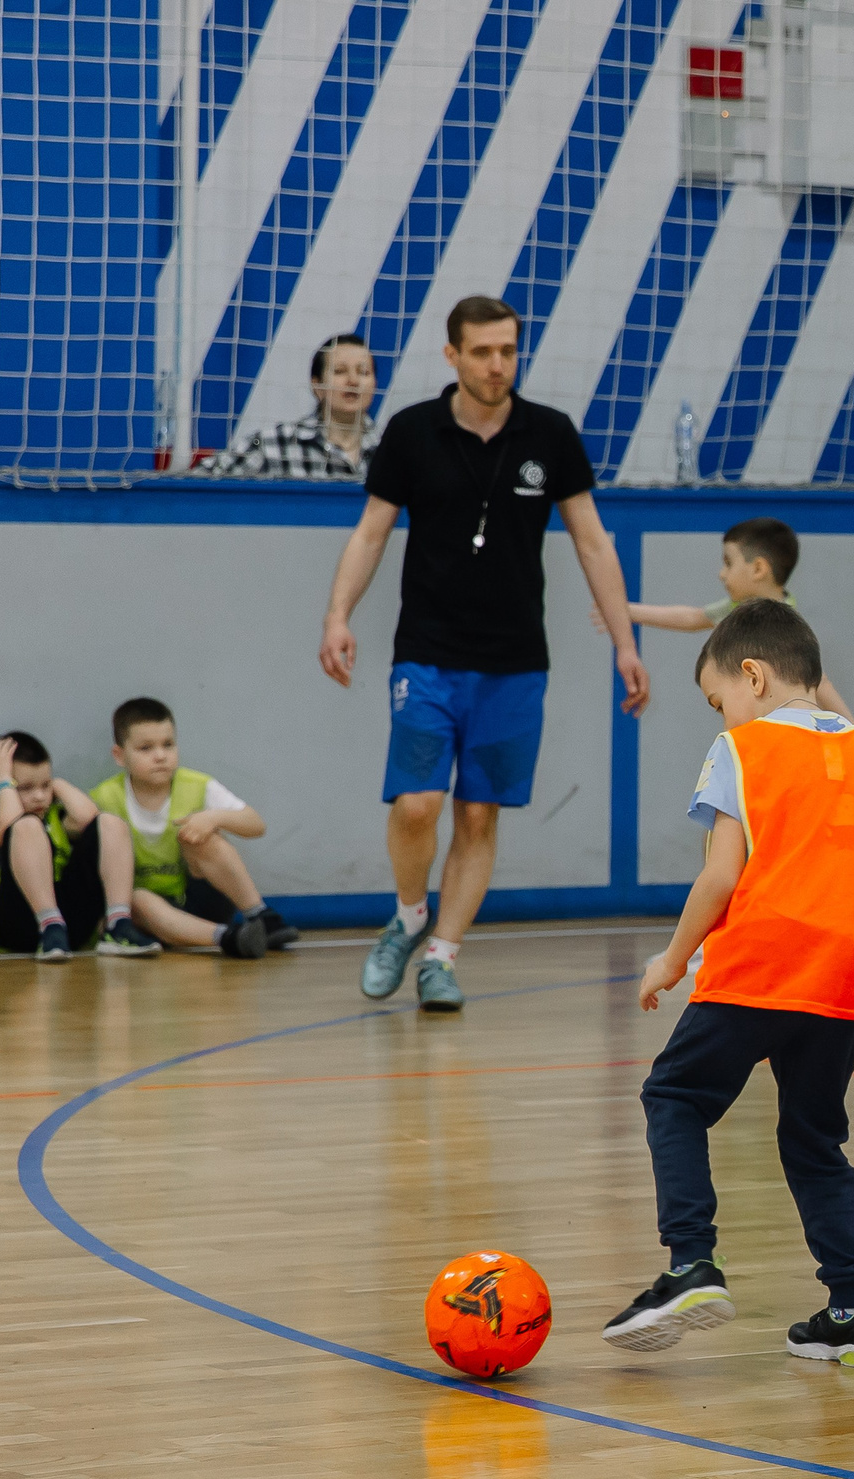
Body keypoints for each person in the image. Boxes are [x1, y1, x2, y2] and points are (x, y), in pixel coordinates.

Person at [599, 601, 854, 1371]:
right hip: (850, 978)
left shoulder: (741, 749)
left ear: (753, 674)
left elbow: (721, 873)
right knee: (814, 1138)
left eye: (721, 698)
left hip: (763, 963)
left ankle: (692, 1265)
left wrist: (674, 959)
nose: (723, 712)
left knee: (674, 1098)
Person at [319, 296, 651, 1015]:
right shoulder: (412, 432)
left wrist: (626, 643)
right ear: (452, 356)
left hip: (515, 659)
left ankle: (442, 955)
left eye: (508, 351)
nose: (497, 365)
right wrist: (338, 615)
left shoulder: (550, 435)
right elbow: (371, 532)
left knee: (476, 816)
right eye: (482, 352)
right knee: (417, 805)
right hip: (427, 652)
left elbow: (593, 541)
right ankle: (409, 915)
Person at [86, 696, 295, 958]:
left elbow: (256, 825)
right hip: (148, 915)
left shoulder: (196, 784)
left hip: (201, 900)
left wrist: (214, 818)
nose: (160, 756)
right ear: (119, 755)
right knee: (137, 899)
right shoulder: (104, 797)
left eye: (168, 745)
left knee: (204, 838)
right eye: (146, 748)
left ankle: (261, 916)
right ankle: (229, 938)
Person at [615, 517, 851, 718]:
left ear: (758, 569)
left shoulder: (785, 625)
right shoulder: (736, 610)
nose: (721, 574)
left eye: (728, 563)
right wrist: (624, 611)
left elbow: (821, 682)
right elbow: (692, 618)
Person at [0, 733, 158, 961]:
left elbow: (89, 819)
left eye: (45, 786)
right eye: (25, 787)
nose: (40, 796)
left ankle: (118, 925)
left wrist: (58, 784)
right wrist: (3, 780)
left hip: (69, 927)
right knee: (27, 826)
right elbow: (8, 827)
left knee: (110, 823)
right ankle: (49, 924)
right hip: (13, 928)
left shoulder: (54, 816)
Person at [203, 332, 376, 479]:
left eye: (363, 372)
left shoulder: (393, 449)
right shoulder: (272, 444)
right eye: (339, 371)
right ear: (317, 385)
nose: (353, 381)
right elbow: (194, 487)